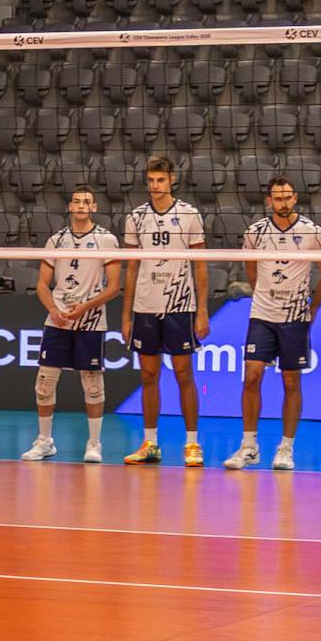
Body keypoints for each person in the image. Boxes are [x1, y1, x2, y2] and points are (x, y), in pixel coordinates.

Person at [234, 177, 321, 472]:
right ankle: (249, 446)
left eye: (287, 197)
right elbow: (251, 271)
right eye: (278, 198)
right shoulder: (255, 232)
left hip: (295, 316)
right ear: (269, 201)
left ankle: (286, 447)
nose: (283, 203)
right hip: (262, 313)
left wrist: (313, 307)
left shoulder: (312, 232)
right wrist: (262, 294)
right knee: (252, 375)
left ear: (295, 198)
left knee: (291, 381)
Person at [118, 156, 207, 467]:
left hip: (180, 306)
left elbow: (200, 266)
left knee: (183, 373)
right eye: (151, 180)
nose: (155, 185)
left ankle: (192, 443)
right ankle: (150, 443)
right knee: (148, 375)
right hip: (145, 306)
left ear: (172, 180)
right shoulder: (136, 217)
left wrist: (202, 311)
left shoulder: (189, 215)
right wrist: (126, 316)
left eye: (160, 180)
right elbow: (131, 269)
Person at [25, 185, 116, 462]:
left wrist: (85, 307)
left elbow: (114, 287)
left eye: (86, 202)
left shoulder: (106, 239)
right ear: (69, 206)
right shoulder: (56, 240)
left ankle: (94, 444)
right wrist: (53, 309)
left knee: (93, 385)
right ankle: (44, 441)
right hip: (58, 320)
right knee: (44, 383)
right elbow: (42, 284)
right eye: (76, 201)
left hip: (91, 320)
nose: (81, 206)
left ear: (94, 207)